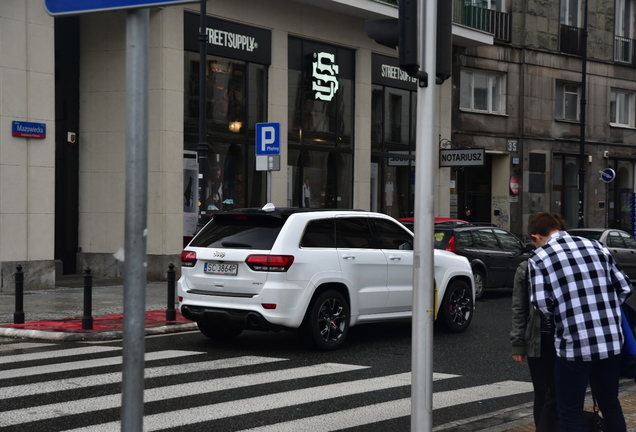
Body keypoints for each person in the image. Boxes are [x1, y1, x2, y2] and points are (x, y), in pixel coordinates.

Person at [528, 212, 632, 432]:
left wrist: (568, 312)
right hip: (610, 341)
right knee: (610, 404)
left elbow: (541, 303)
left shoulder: (539, 258)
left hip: (574, 344)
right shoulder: (596, 247)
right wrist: (604, 308)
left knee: (569, 411)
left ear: (537, 236)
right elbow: (624, 287)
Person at [510, 213, 567, 430]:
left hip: (566, 339)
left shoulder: (567, 261)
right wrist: (518, 342)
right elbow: (519, 308)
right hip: (540, 341)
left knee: (562, 393)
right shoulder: (527, 268)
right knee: (543, 394)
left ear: (536, 237)